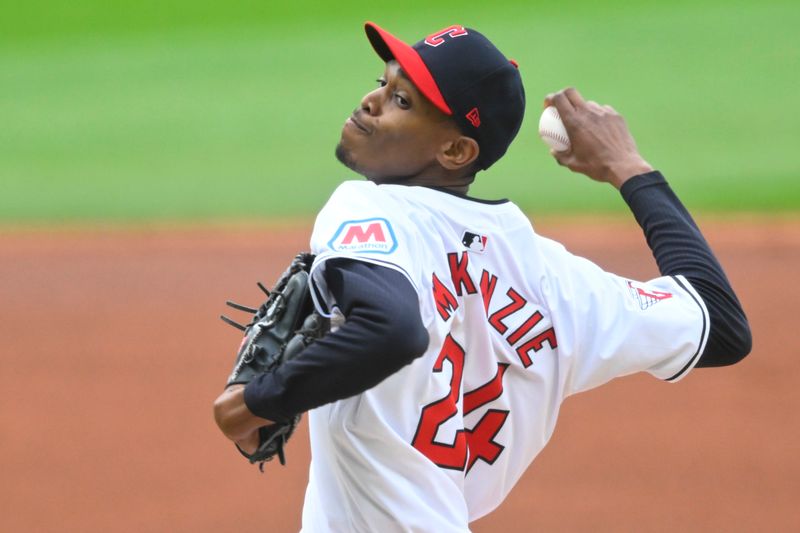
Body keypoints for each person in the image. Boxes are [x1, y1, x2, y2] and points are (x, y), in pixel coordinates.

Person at [214, 22, 751, 531]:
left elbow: (393, 329)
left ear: (455, 150)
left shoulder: (370, 210)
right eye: (383, 83)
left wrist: (256, 403)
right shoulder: (553, 280)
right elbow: (719, 324)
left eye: (402, 101)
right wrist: (628, 167)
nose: (370, 101)